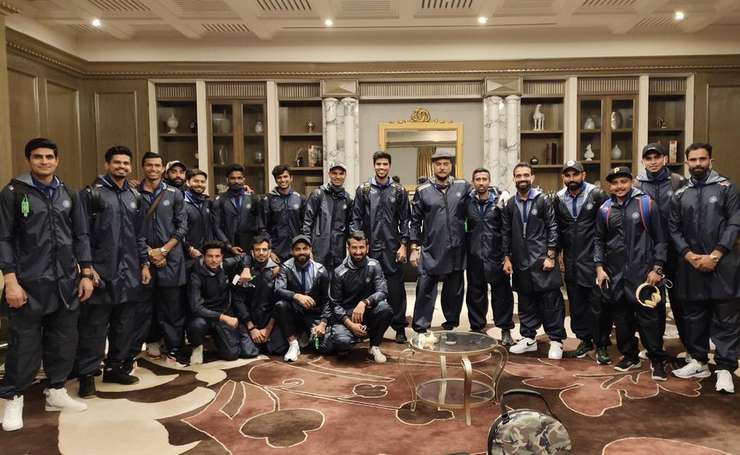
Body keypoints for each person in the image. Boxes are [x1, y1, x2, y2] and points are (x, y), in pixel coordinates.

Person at [0, 137, 93, 431]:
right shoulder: (13, 192)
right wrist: (10, 280)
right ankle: (13, 397)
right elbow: (4, 238)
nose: (44, 161)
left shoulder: (69, 193)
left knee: (64, 339)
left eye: (49, 157)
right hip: (28, 282)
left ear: (57, 160)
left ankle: (56, 390)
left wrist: (86, 273)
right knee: (24, 343)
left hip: (65, 281)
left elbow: (81, 235)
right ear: (29, 160)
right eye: (38, 157)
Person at [75, 145, 145, 399]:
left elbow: (140, 235)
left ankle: (115, 368)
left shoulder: (135, 196)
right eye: (117, 162)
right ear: (107, 165)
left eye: (126, 163)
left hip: (129, 271)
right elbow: (81, 234)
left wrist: (144, 263)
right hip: (101, 272)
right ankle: (87, 375)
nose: (122, 167)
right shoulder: (91, 194)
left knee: (124, 325)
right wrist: (87, 267)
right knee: (94, 327)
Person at [669, 143, 739, 394]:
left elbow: (734, 223)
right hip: (691, 264)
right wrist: (689, 255)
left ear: (711, 160)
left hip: (723, 263)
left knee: (726, 318)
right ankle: (698, 360)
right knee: (694, 315)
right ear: (686, 162)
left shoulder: (727, 187)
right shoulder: (680, 193)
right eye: (693, 160)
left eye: (702, 159)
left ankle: (725, 368)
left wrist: (716, 254)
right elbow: (673, 228)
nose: (698, 163)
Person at [594, 166, 669, 380]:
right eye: (615, 183)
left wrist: (657, 268)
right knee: (622, 320)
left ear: (631, 181)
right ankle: (630, 356)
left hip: (643, 274)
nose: (619, 186)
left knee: (649, 320)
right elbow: (599, 240)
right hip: (615, 275)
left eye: (623, 181)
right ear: (610, 185)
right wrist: (599, 268)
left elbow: (661, 240)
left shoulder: (646, 204)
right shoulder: (605, 209)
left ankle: (657, 360)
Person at [127, 152, 188, 366]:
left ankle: (174, 349)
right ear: (143, 167)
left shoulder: (174, 194)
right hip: (142, 258)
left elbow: (182, 226)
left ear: (163, 169)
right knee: (143, 308)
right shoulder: (133, 193)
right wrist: (149, 253)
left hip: (172, 258)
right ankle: (139, 348)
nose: (153, 169)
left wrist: (162, 250)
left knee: (172, 309)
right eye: (149, 165)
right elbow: (130, 227)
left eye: (157, 165)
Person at [502, 163, 566, 359]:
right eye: (518, 175)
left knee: (551, 301)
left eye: (526, 175)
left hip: (542, 259)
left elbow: (553, 227)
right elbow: (506, 232)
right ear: (514, 179)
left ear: (532, 177)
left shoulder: (543, 200)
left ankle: (556, 340)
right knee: (525, 301)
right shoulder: (510, 204)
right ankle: (528, 338)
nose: (522, 178)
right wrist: (506, 258)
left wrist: (551, 255)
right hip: (520, 261)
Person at [553, 161, 611, 364]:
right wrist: (557, 255)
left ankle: (601, 345)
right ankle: (585, 340)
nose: (572, 179)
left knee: (597, 304)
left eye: (575, 175)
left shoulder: (597, 195)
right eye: (567, 175)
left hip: (593, 259)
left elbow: (607, 228)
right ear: (563, 178)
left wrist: (602, 260)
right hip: (571, 260)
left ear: (583, 175)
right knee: (576, 304)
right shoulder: (559, 198)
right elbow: (558, 230)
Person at [351, 151, 411, 343]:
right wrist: (359, 245)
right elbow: (355, 219)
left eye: (385, 164)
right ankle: (366, 327)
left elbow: (406, 220)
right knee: (367, 289)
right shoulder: (364, 190)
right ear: (374, 165)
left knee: (396, 290)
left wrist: (403, 245)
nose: (382, 167)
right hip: (369, 249)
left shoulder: (399, 191)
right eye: (378, 164)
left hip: (392, 248)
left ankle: (399, 327)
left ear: (389, 166)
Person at [409, 150, 471, 333]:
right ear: (433, 166)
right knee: (425, 288)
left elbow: (480, 195)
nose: (442, 167)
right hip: (432, 248)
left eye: (445, 163)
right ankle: (421, 326)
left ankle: (451, 322)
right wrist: (414, 248)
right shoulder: (423, 190)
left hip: (456, 248)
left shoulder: (463, 186)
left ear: (451, 165)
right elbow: (415, 221)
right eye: (438, 164)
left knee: (454, 290)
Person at [634, 143, 686, 359]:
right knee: (652, 300)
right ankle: (654, 345)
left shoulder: (678, 182)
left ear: (665, 158)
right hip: (650, 251)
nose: (653, 161)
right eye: (649, 158)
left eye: (657, 157)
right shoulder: (637, 184)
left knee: (681, 301)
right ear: (643, 161)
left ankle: (690, 347)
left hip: (677, 250)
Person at [464, 167, 515, 346]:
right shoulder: (467, 202)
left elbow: (507, 230)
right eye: (477, 179)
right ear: (473, 182)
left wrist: (507, 256)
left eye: (484, 179)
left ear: (489, 181)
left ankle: (506, 330)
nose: (481, 182)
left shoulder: (500, 201)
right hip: (475, 256)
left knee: (502, 296)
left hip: (496, 256)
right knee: (475, 294)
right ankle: (477, 329)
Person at [324, 232, 392, 363]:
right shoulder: (339, 272)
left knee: (385, 308)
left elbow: (383, 291)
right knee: (342, 343)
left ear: (367, 247)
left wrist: (364, 302)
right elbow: (335, 305)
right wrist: (351, 325)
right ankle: (349, 338)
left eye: (361, 247)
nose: (358, 252)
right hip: (347, 317)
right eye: (354, 248)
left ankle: (374, 346)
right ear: (348, 248)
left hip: (367, 312)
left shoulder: (374, 265)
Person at [187, 241, 251, 364]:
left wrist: (246, 269)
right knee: (196, 325)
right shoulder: (195, 275)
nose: (214, 260)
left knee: (232, 354)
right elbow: (196, 308)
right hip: (205, 316)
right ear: (203, 257)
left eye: (217, 256)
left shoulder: (226, 264)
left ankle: (216, 340)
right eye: (210, 256)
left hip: (223, 312)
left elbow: (245, 256)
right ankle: (197, 346)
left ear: (222, 257)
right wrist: (223, 317)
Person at [274, 235, 331, 362]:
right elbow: (278, 290)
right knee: (280, 305)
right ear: (292, 251)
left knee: (326, 347)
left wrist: (323, 323)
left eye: (305, 248)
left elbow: (327, 300)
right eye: (298, 249)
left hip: (313, 314)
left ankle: (307, 335)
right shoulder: (285, 268)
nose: (301, 252)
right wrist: (296, 296)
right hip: (293, 313)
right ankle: (293, 344)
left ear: (310, 249)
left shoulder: (321, 270)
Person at [239, 235, 288, 357]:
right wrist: (252, 328)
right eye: (257, 250)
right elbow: (238, 300)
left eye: (264, 250)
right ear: (252, 252)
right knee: (249, 352)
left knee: (279, 349)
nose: (261, 253)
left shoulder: (278, 271)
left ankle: (265, 339)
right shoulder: (244, 270)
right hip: (249, 321)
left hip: (269, 321)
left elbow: (278, 302)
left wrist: (268, 329)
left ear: (270, 252)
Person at [302, 162, 353, 274]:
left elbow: (350, 226)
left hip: (338, 250)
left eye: (341, 173)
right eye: (334, 173)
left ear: (345, 175)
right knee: (318, 279)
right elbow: (307, 222)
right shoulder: (318, 194)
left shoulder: (347, 199)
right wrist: (307, 246)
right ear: (329, 174)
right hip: (319, 248)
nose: (337, 176)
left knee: (337, 280)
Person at [213, 164, 261, 256]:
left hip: (250, 248)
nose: (236, 181)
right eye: (233, 178)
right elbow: (216, 227)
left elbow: (260, 225)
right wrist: (229, 246)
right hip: (228, 249)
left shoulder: (253, 198)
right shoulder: (220, 200)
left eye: (239, 178)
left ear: (244, 179)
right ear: (227, 179)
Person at [262, 165, 305, 262]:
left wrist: (304, 248)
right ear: (275, 180)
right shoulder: (268, 199)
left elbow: (305, 226)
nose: (282, 180)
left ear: (291, 178)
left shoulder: (300, 198)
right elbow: (263, 228)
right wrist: (270, 250)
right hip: (276, 251)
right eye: (279, 177)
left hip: (297, 250)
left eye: (285, 176)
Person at [183, 169, 216, 266]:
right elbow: (176, 230)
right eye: (196, 181)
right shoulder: (180, 202)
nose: (200, 184)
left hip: (207, 253)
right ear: (188, 182)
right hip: (187, 254)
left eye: (202, 182)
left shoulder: (207, 202)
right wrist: (189, 249)